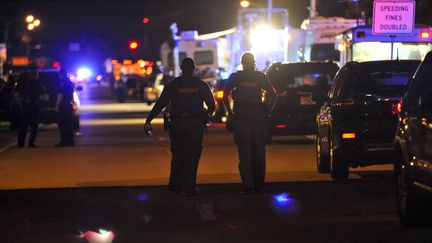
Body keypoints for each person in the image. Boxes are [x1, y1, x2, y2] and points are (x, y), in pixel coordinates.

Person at [144, 58, 215, 197]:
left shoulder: (173, 85)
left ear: (182, 68)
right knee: (193, 156)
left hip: (178, 124)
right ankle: (190, 187)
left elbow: (160, 104)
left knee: (178, 155)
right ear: (193, 68)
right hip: (195, 124)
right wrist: (205, 116)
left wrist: (148, 120)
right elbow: (211, 106)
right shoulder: (201, 85)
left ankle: (175, 186)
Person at [223, 52, 276, 195]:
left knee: (245, 153)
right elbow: (273, 95)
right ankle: (259, 185)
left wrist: (230, 114)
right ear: (253, 62)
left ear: (242, 62)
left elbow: (225, 95)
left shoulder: (236, 77)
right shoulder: (260, 77)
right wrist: (266, 111)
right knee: (259, 152)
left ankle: (248, 186)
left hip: (241, 117)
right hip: (258, 116)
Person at [13, 70, 45, 148]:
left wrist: (20, 105)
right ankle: (31, 143)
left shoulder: (22, 83)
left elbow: (16, 94)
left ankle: (21, 143)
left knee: (23, 125)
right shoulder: (37, 83)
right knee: (34, 126)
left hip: (26, 105)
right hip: (34, 105)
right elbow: (44, 95)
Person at [54, 68, 75, 147]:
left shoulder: (63, 83)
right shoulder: (70, 82)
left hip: (63, 106)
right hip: (68, 105)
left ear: (61, 74)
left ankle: (64, 141)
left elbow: (60, 94)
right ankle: (70, 141)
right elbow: (72, 94)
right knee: (69, 124)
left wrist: (57, 105)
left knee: (63, 124)